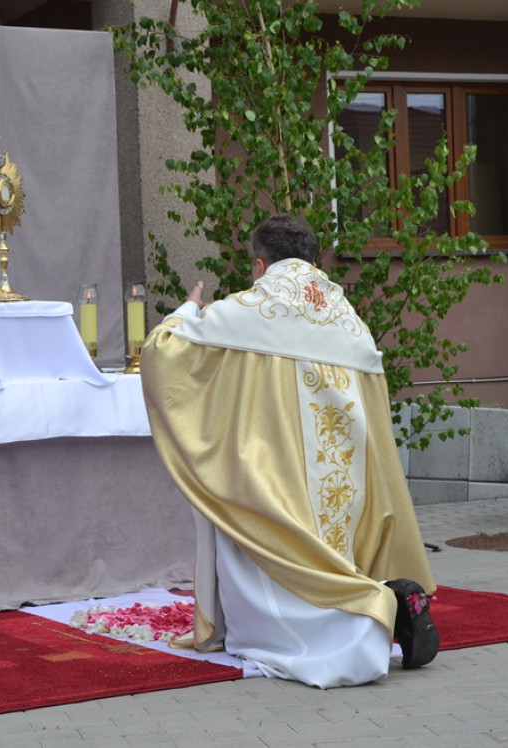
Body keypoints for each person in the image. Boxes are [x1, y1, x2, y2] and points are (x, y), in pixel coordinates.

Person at [140, 213, 440, 688]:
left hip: (278, 490)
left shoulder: (251, 308)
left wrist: (186, 310)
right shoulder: (350, 318)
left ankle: (368, 610)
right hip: (348, 495)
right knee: (334, 549)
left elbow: (165, 353)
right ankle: (379, 589)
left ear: (261, 265)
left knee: (242, 513)